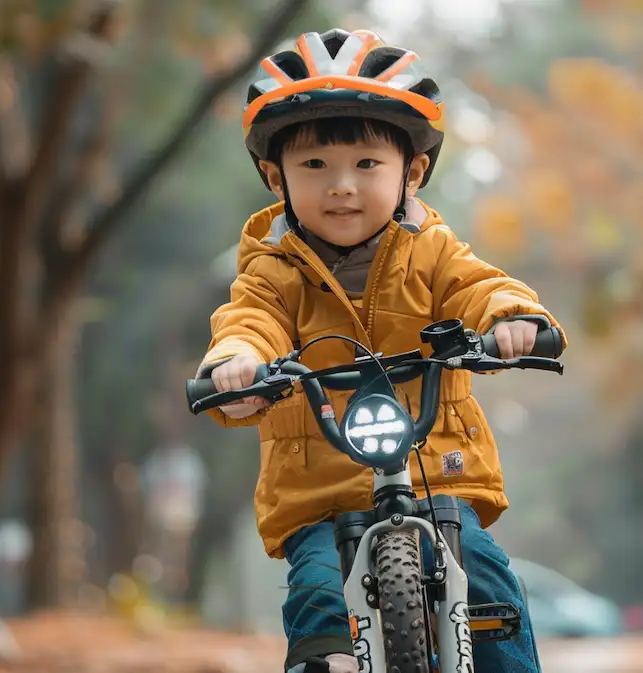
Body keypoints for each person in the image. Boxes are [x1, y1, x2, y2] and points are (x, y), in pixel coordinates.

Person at [196, 28, 567, 673]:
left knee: (485, 579)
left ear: (412, 173)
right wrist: (238, 361)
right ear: (273, 175)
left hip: (437, 471)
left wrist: (513, 319)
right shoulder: (270, 273)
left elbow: (480, 287)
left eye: (367, 164)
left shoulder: (433, 251)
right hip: (321, 494)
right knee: (317, 593)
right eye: (315, 166)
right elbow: (250, 320)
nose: (342, 185)